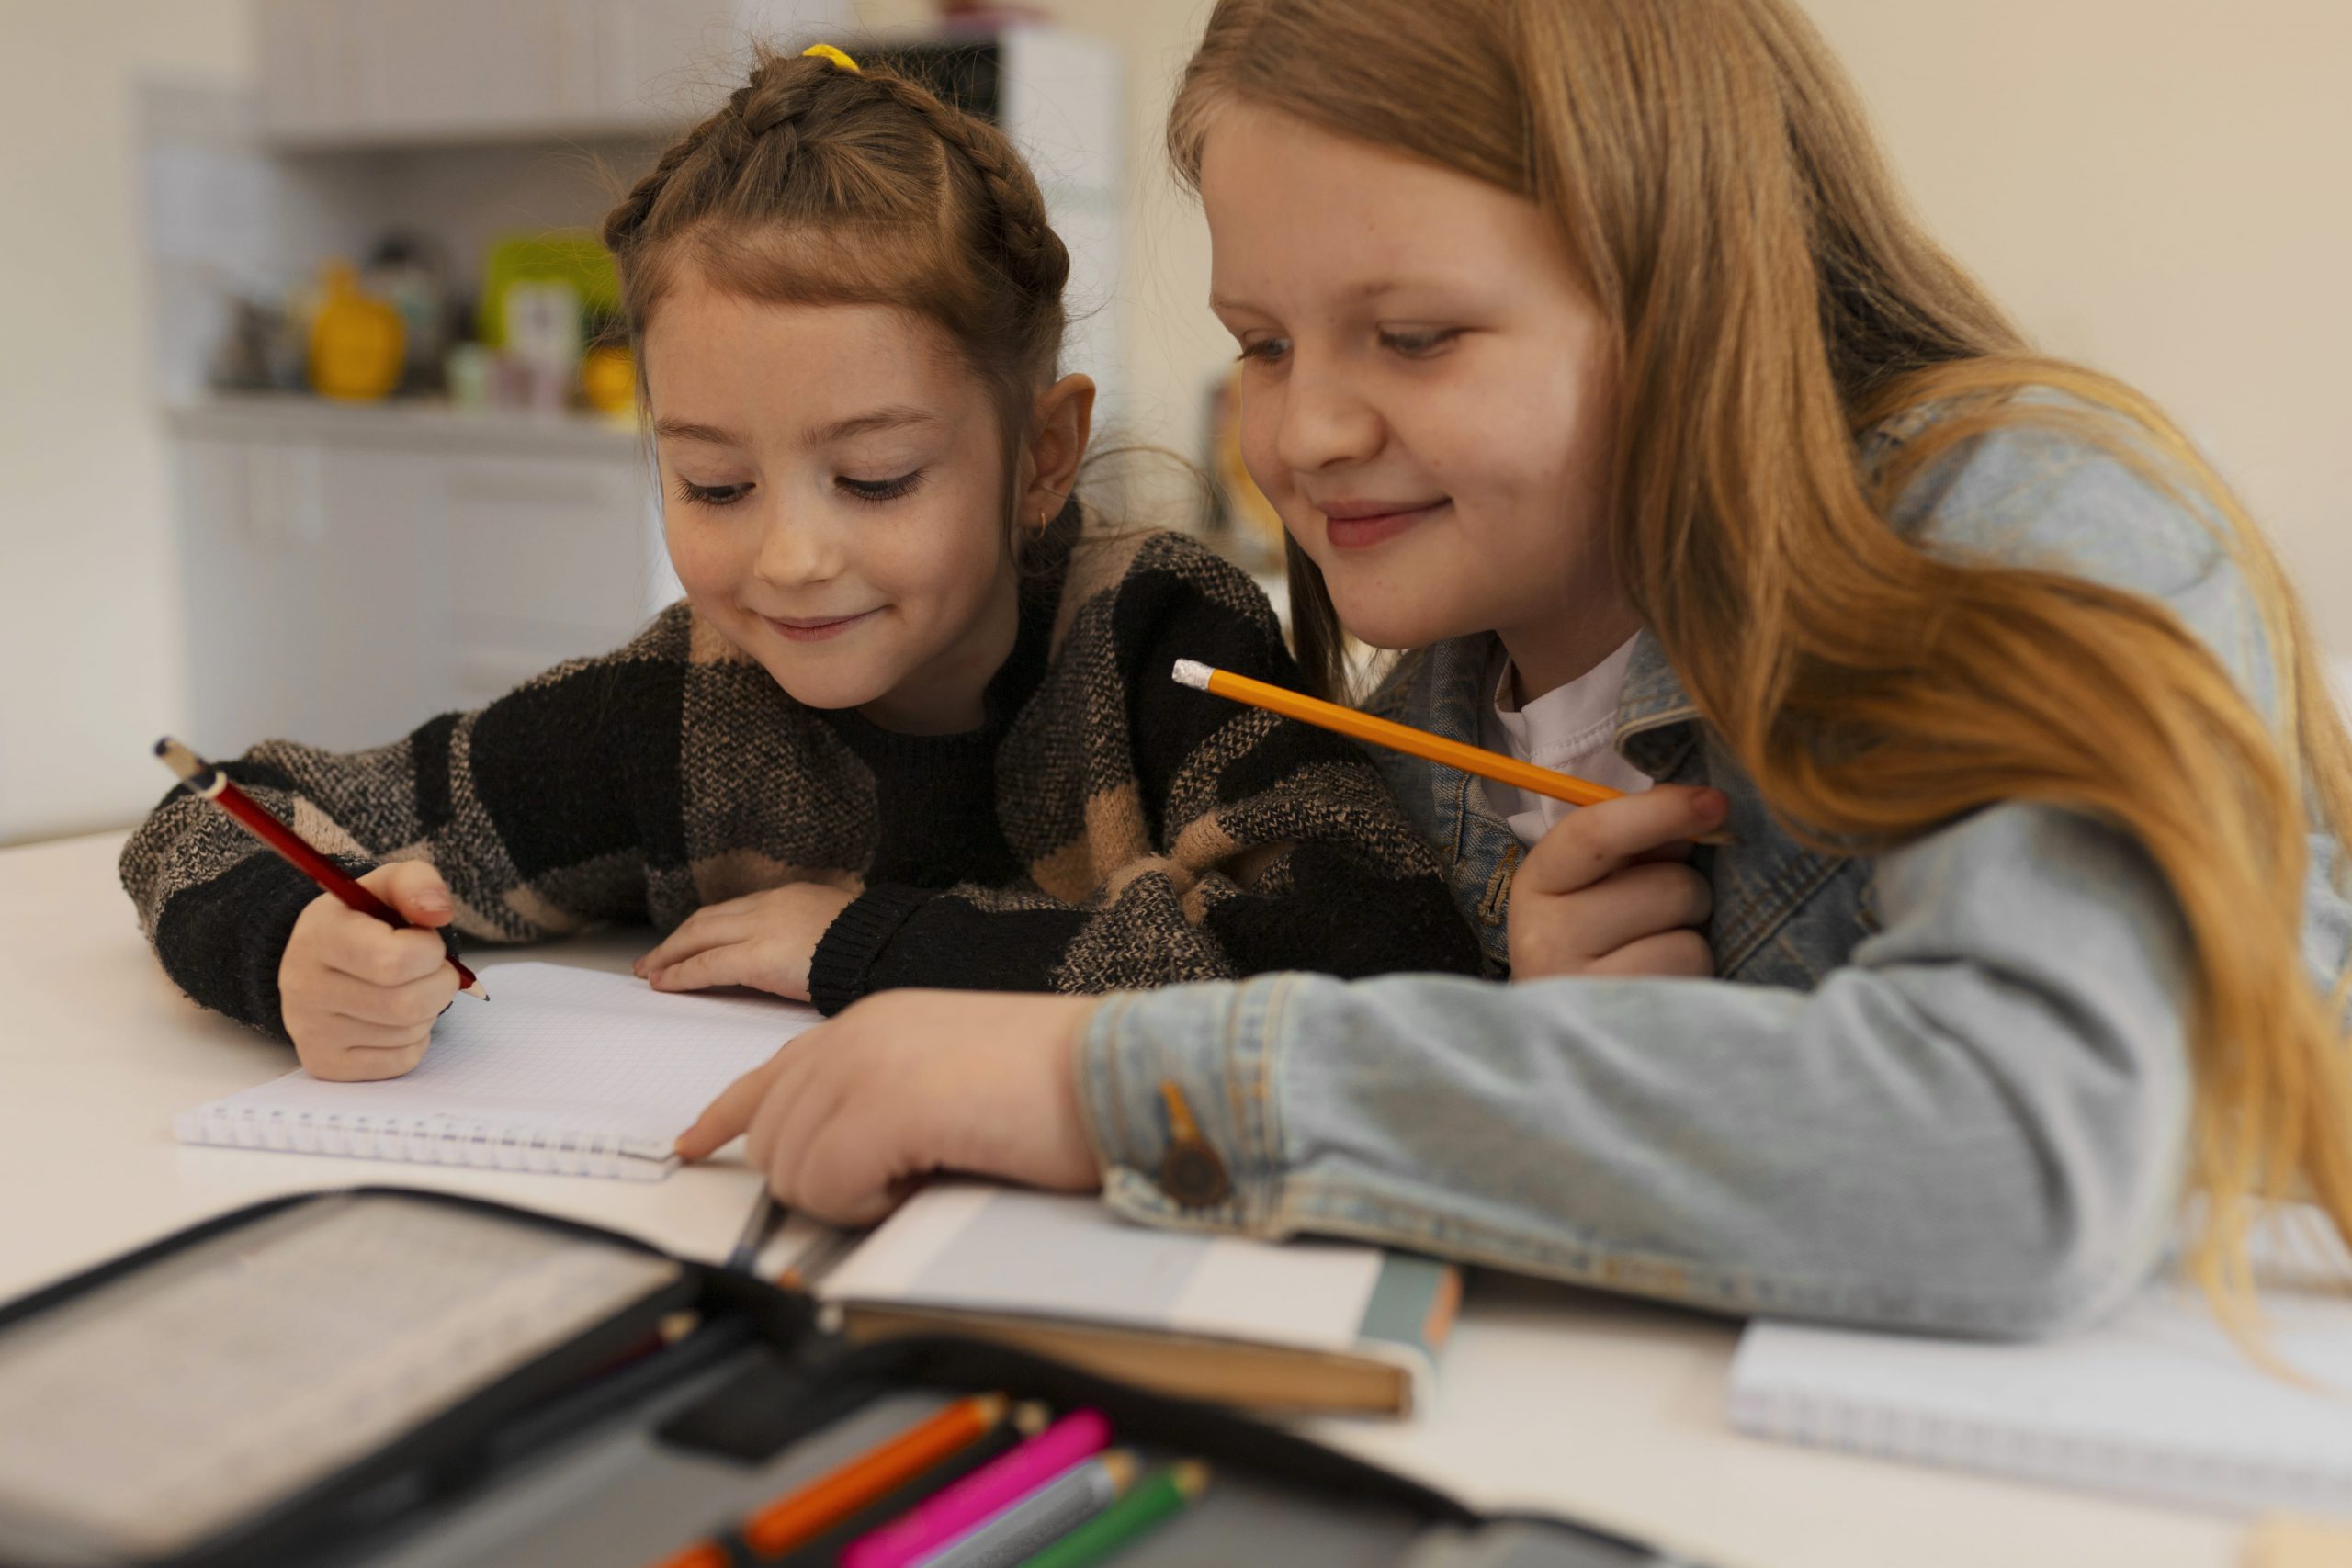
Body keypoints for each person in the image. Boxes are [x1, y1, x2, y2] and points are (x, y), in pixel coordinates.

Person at [680, 0, 2352, 1340]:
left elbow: (2012, 1154)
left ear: (1686, 287)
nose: (1305, 431)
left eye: (1415, 337)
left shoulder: (2014, 516)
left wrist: (1104, 1085)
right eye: (1263, 343)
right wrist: (1548, 1039)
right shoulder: (1423, 720)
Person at [119, 44, 1479, 1085]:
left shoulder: (1158, 638)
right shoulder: (670, 713)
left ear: (1041, 459)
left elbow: (1367, 953)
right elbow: (221, 814)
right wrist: (296, 948)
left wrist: (862, 942)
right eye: (714, 481)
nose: (790, 556)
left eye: (877, 478)